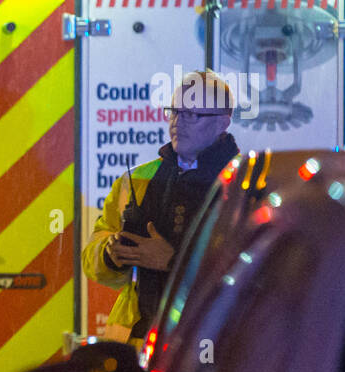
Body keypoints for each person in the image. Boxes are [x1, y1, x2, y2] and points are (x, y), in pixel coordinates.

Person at [84, 70, 241, 344]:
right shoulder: (136, 179)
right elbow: (92, 258)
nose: (178, 122)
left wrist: (173, 261)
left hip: (208, 344)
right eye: (174, 112)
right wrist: (111, 253)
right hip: (135, 345)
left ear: (221, 124)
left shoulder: (243, 184)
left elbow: (249, 274)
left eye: (192, 114)